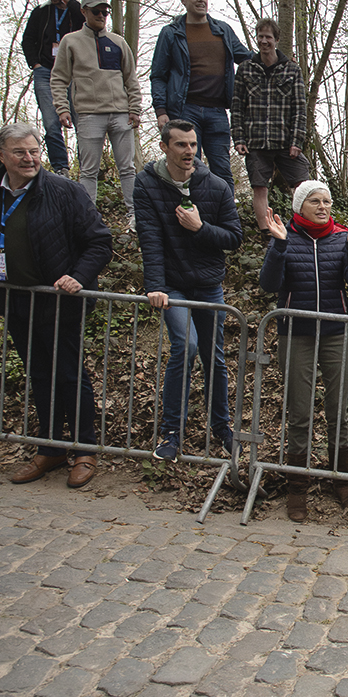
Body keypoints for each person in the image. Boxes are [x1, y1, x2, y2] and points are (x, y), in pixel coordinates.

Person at [0, 123, 111, 489]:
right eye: (20, 152)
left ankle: (85, 449)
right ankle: (50, 447)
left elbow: (99, 242)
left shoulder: (65, 191)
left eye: (34, 151)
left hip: (59, 303)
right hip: (16, 301)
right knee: (40, 376)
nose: (29, 159)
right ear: (1, 155)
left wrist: (78, 276)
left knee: (70, 375)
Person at [134, 120, 243, 463]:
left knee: (214, 356)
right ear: (165, 147)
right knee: (186, 346)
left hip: (208, 285)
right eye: (181, 144)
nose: (189, 151)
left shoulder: (216, 185)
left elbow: (234, 238)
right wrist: (155, 286)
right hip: (172, 284)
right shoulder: (147, 184)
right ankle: (171, 433)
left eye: (193, 144)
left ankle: (222, 427)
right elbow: (150, 239)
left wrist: (200, 228)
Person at [260, 181, 348, 518]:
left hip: (336, 334)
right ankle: (297, 486)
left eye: (327, 201)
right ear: (299, 207)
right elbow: (269, 284)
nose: (323, 207)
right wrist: (279, 246)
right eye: (315, 201)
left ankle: (341, 480)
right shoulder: (285, 236)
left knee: (338, 411)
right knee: (300, 413)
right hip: (297, 335)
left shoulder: (341, 237)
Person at [150, 0, 252, 186]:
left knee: (222, 170)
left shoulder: (222, 30)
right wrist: (161, 111)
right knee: (187, 168)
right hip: (185, 109)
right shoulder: (171, 33)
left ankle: (225, 208)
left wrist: (277, 59)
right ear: (183, 0)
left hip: (217, 112)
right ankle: (189, 207)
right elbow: (158, 75)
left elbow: (246, 57)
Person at [51, 0, 142, 223]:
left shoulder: (118, 42)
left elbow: (131, 78)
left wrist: (135, 108)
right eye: (96, 11)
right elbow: (59, 78)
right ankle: (88, 217)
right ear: (84, 12)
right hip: (89, 114)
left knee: (127, 168)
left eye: (105, 12)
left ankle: (135, 215)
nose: (101, 16)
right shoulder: (70, 42)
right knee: (88, 170)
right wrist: (62, 108)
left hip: (121, 113)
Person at [231, 17, 310, 230]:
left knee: (303, 186)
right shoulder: (245, 69)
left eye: (268, 37)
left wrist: (297, 141)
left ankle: (305, 228)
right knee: (259, 187)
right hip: (255, 141)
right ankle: (266, 232)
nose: (264, 41)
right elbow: (237, 107)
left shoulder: (291, 70)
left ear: (276, 40)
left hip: (285, 140)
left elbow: (299, 108)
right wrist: (238, 138)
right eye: (260, 37)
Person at [22, 0, 84, 174]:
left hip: (74, 73)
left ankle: (86, 168)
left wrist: (72, 0)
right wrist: (35, 64)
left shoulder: (78, 10)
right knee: (51, 121)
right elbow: (28, 39)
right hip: (45, 71)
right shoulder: (41, 12)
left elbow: (87, 26)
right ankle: (60, 168)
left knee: (81, 121)